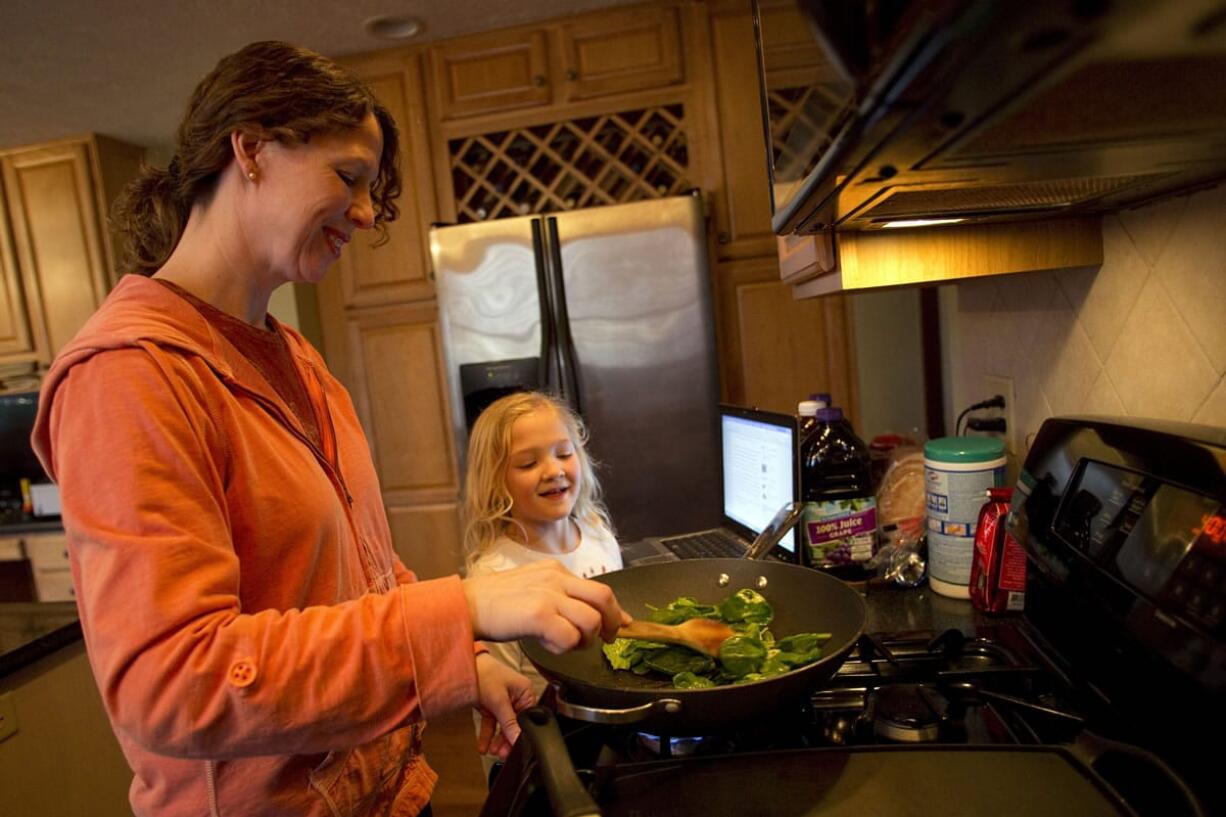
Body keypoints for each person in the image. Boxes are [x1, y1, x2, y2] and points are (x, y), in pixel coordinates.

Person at [29, 41, 628, 817]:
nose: (367, 212)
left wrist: (469, 661)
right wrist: (467, 607)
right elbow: (172, 683)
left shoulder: (296, 359)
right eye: (347, 177)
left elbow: (364, 578)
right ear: (249, 149)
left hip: (386, 792)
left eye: (371, 188)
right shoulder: (130, 375)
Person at [461, 392, 622, 765]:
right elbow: (495, 690)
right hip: (541, 746)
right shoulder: (495, 574)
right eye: (529, 463)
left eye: (563, 453)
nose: (553, 470)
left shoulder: (598, 534)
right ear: (494, 479)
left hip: (603, 728)